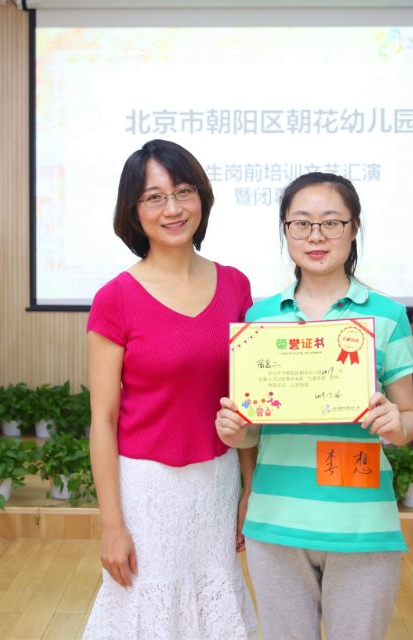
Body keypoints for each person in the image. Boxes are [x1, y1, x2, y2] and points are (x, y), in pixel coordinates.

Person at [215, 172, 413, 639]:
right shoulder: (260, 318)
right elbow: (252, 429)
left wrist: (394, 421)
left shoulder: (387, 315)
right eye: (301, 223)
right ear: (285, 230)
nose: (316, 236)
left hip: (362, 521)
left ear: (354, 228)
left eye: (331, 223)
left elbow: (408, 423)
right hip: (277, 521)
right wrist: (235, 430)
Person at [83, 139, 257, 639]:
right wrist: (111, 524)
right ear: (133, 213)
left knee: (215, 601)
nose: (173, 208)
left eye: (183, 192)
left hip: (217, 481)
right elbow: (103, 419)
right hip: (146, 488)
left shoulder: (236, 287)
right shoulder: (115, 298)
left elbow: (244, 400)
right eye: (154, 197)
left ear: (202, 198)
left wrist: (250, 489)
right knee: (147, 608)